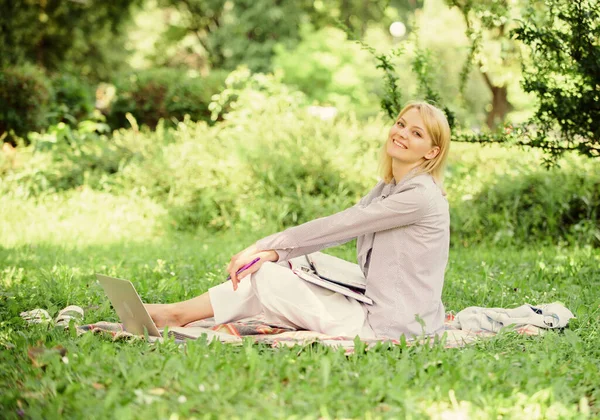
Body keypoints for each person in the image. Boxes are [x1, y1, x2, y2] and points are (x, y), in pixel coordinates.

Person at [147, 100, 451, 339]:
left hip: (392, 328)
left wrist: (266, 247)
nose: (401, 133)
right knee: (293, 262)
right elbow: (341, 223)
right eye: (401, 124)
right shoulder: (391, 187)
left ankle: (175, 315)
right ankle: (176, 314)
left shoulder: (419, 196)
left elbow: (343, 225)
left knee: (266, 273)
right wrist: (276, 250)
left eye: (416, 133)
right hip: (376, 304)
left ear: (432, 152)